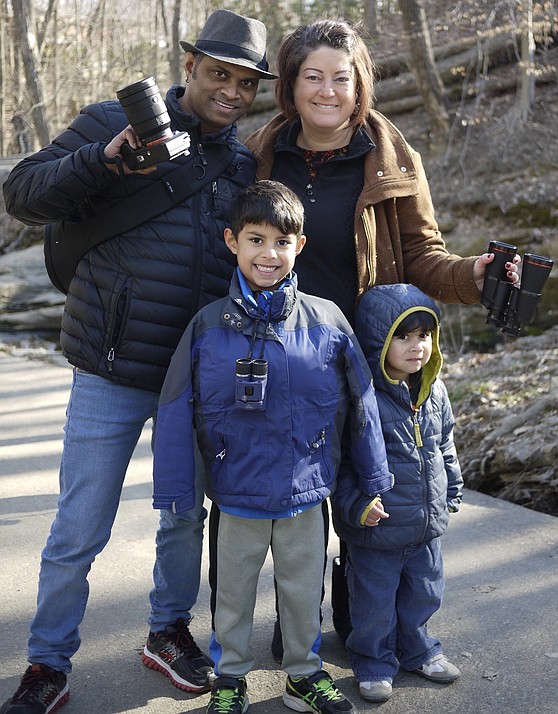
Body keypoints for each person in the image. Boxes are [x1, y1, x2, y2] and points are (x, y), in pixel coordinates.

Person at [0, 10, 277, 713]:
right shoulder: (107, 123)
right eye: (219, 75)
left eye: (246, 84)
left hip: (191, 377)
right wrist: (101, 158)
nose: (231, 93)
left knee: (182, 518)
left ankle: (167, 631)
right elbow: (21, 193)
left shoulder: (241, 161)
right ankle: (47, 661)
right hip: (109, 364)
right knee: (79, 525)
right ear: (189, 67)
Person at [240, 17, 520, 652]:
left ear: (361, 84)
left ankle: (367, 621)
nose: (328, 90)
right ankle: (298, 618)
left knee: (370, 491)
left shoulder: (394, 158)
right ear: (290, 84)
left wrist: (472, 277)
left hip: (367, 358)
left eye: (342, 77)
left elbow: (423, 255)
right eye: (313, 76)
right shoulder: (256, 154)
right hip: (285, 354)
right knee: (300, 501)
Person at [151, 179, 393, 714]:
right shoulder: (208, 326)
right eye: (256, 239)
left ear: (299, 246)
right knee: (231, 594)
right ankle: (231, 676)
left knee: (304, 592)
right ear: (232, 240)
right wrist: (176, 488)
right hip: (235, 495)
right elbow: (174, 409)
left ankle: (303, 675)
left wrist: (373, 483)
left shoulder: (328, 321)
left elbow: (362, 406)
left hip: (306, 494)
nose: (269, 253)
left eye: (281, 242)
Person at [331, 283, 463, 703]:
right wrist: (356, 506)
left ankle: (419, 648)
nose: (415, 346)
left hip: (425, 527)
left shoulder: (434, 391)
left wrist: (452, 487)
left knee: (424, 592)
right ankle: (372, 660)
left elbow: (444, 444)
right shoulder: (361, 397)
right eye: (402, 337)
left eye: (424, 336)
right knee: (373, 603)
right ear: (377, 342)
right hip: (379, 528)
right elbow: (345, 464)